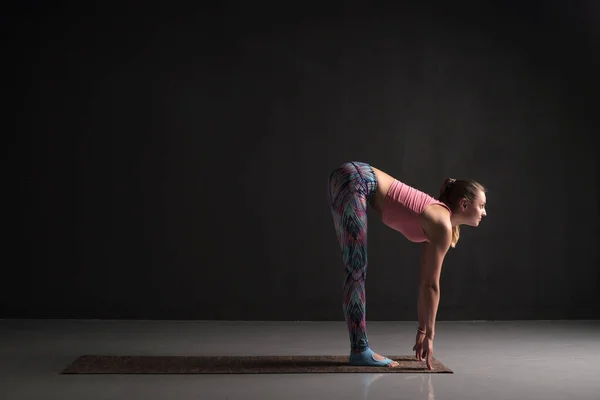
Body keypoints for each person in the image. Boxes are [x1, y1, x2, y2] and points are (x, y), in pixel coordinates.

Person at [328, 161, 487, 369]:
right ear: (464, 204)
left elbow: (425, 282)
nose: (484, 213)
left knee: (355, 267)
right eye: (482, 206)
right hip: (357, 179)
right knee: (356, 268)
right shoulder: (442, 224)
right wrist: (429, 336)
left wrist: (423, 331)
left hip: (350, 176)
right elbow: (431, 285)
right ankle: (359, 350)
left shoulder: (439, 222)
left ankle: (359, 349)